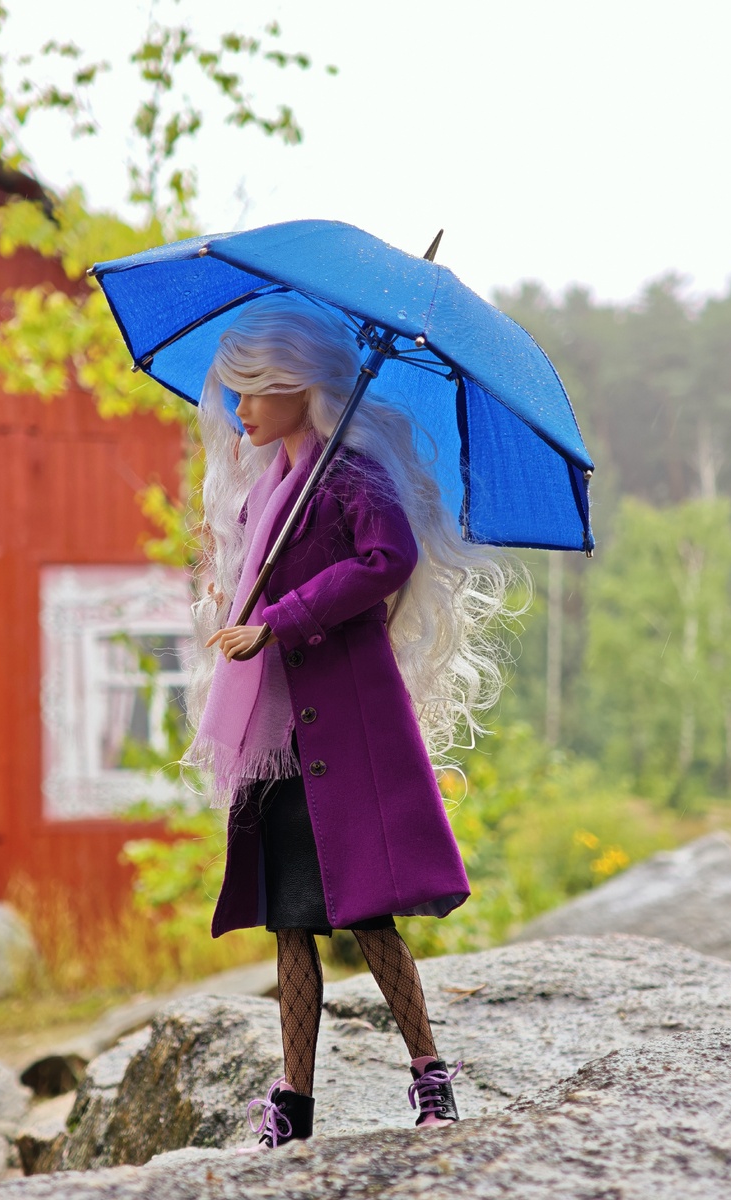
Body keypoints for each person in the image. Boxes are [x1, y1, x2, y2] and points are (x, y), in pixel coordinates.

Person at [184, 295, 509, 1148]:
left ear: (299, 386)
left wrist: (282, 616)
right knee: (290, 917)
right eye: (236, 392)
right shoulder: (269, 496)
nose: (239, 408)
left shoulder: (350, 479)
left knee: (367, 913)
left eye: (252, 390)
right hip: (277, 736)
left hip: (345, 726)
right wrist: (238, 603)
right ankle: (294, 1098)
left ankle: (429, 1075)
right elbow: (264, 580)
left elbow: (388, 559)